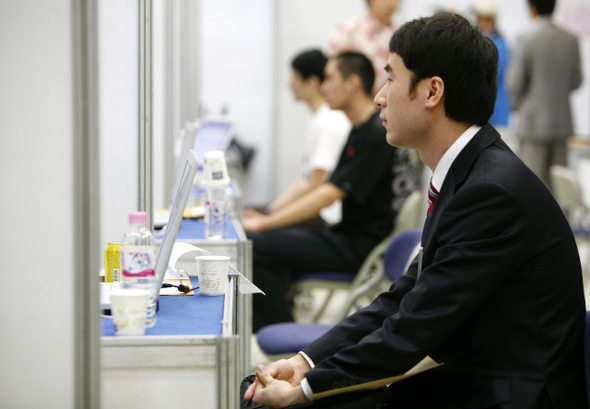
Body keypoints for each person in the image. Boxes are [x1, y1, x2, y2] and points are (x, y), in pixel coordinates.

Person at [245, 12, 587, 408]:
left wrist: (305, 391)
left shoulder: (491, 192)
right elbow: (404, 299)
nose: (379, 96)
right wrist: (306, 364)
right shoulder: (471, 172)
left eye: (390, 78)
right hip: (478, 377)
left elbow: (415, 328)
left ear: (431, 92)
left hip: (512, 394)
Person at [244, 52, 417, 333]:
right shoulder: (361, 129)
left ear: (352, 83)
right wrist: (269, 216)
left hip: (357, 246)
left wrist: (265, 222)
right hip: (344, 236)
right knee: (262, 241)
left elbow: (328, 193)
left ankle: (285, 336)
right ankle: (281, 328)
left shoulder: (375, 134)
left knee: (255, 245)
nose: (323, 87)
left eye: (330, 79)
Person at [253, 49, 351, 228]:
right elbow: (305, 179)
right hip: (318, 211)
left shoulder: (327, 122)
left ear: (312, 82)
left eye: (294, 78)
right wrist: (272, 209)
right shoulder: (318, 118)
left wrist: (270, 219)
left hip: (325, 218)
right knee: (255, 214)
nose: (290, 85)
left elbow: (316, 186)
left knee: (253, 231)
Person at [508, 0, 582, 187]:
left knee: (532, 186)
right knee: (559, 186)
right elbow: (577, 80)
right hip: (562, 123)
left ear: (532, 7)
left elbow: (515, 83)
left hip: (532, 123)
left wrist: (520, 107)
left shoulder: (526, 38)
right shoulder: (570, 39)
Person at [326, 0, 401, 95]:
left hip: (392, 99)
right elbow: (332, 69)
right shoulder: (349, 30)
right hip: (360, 100)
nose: (390, 2)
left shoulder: (400, 33)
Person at [474, 0, 511, 130]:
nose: (477, 23)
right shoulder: (480, 43)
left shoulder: (499, 45)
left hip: (496, 112)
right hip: (483, 111)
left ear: (491, 21)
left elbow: (489, 75)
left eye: (481, 19)